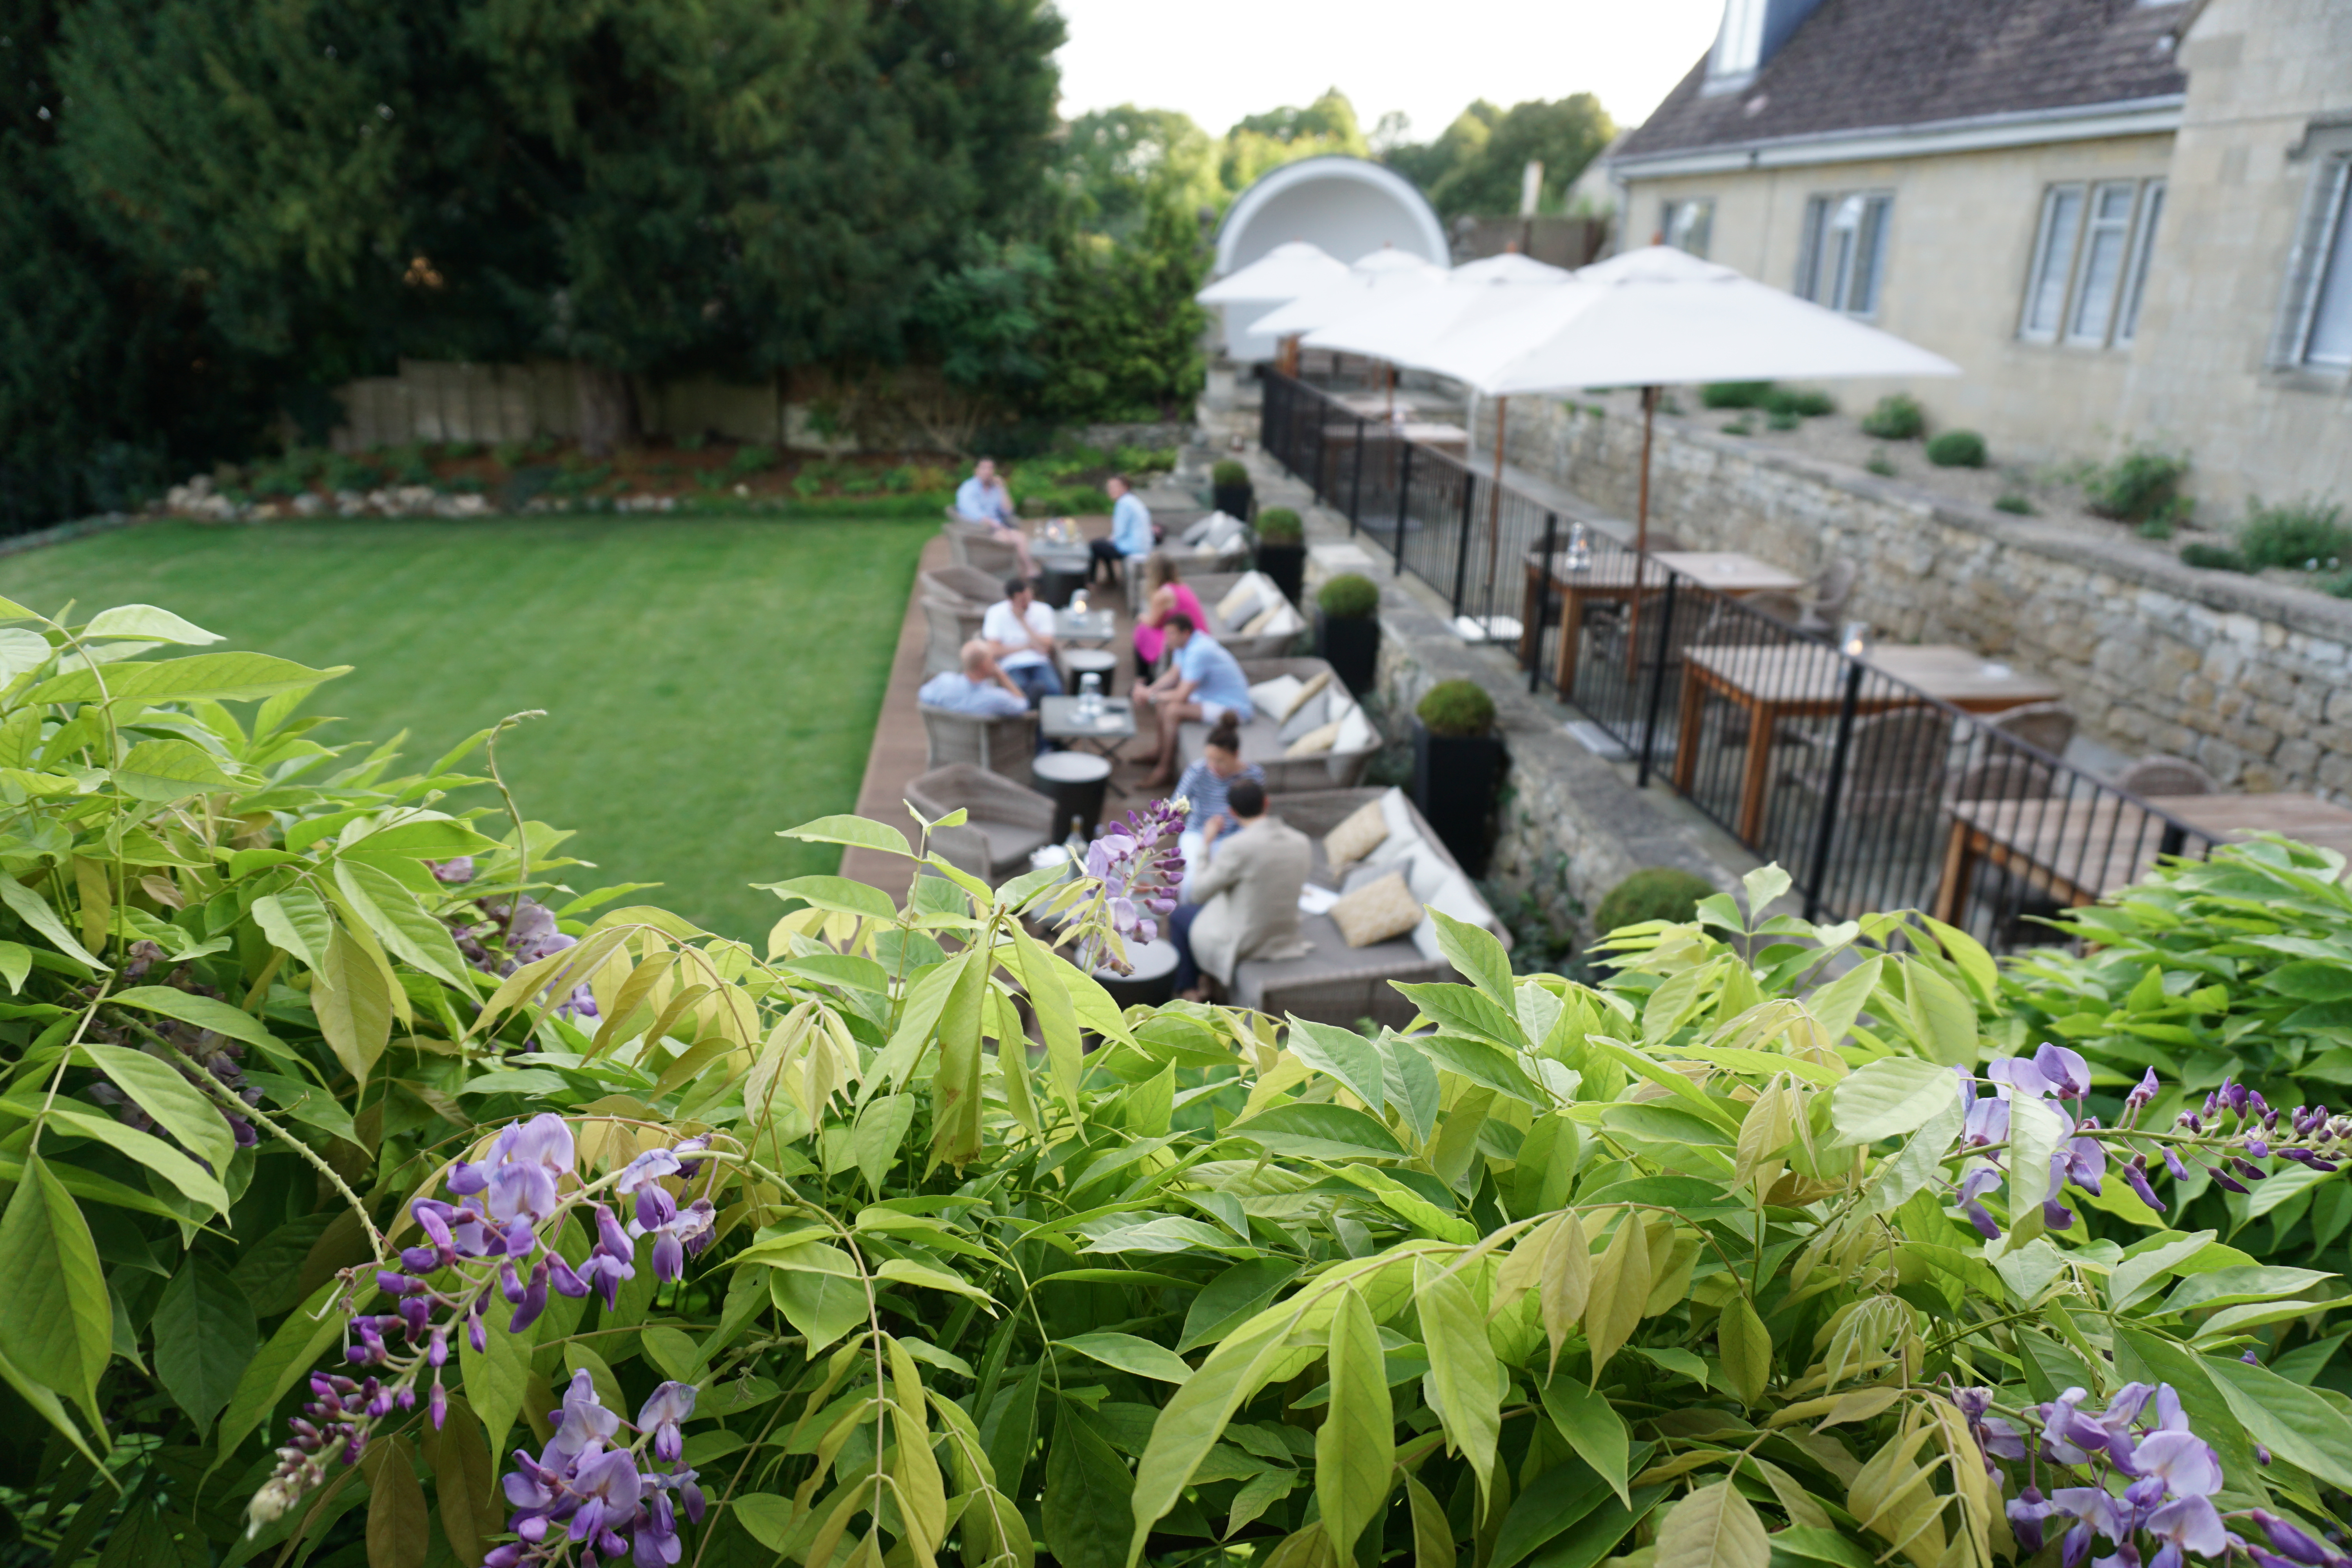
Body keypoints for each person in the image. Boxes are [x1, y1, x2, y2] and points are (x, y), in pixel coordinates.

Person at [1168, 778, 1311, 1000]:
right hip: (1286, 935)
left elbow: (1198, 893)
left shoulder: (1237, 847)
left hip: (1246, 941)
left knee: (1179, 916)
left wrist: (1206, 844)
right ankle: (1203, 986)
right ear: (1266, 803)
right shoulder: (1302, 841)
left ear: (1232, 812)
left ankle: (1190, 992)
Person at [1131, 612, 1250, 789]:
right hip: (1210, 698)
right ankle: (1159, 753)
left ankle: (1165, 771)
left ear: (1186, 633)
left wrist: (1149, 696)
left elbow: (1181, 696)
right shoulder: (1184, 645)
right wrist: (1150, 691)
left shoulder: (1199, 652)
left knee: (1173, 711)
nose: (1167, 639)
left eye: (1171, 634)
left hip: (1233, 708)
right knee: (1164, 704)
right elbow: (1173, 676)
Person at [1171, 714, 1264, 893]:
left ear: (1235, 755)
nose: (1213, 766)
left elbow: (1254, 816)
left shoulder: (1255, 776)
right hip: (1198, 832)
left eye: (1220, 760)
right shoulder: (1197, 771)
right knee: (1194, 881)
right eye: (1209, 759)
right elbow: (1175, 806)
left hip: (1234, 837)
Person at [980, 575, 1063, 708]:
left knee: (1054, 690)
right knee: (1021, 694)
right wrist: (1028, 646)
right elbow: (994, 650)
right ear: (1010, 600)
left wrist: (1023, 621)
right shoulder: (995, 613)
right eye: (1021, 600)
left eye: (1028, 598)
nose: (1026, 603)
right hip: (1011, 665)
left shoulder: (1044, 610)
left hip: (1039, 662)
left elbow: (1046, 646)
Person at [952, 457, 1034, 577]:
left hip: (998, 527)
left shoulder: (995, 488)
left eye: (991, 468)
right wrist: (997, 526)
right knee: (1007, 539)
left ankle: (1030, 571)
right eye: (984, 468)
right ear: (976, 471)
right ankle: (1017, 575)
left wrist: (1003, 488)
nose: (988, 472)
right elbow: (975, 514)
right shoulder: (968, 489)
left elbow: (1008, 511)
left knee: (1021, 537)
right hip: (980, 530)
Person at [1132, 554, 1206, 671]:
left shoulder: (1163, 595)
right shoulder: (1181, 587)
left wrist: (1141, 617)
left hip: (1188, 638)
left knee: (1142, 629)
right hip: (1199, 635)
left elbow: (1153, 623)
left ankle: (1142, 678)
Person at [917, 640, 1029, 717]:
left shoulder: (944, 681)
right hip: (987, 749)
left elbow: (924, 695)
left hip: (946, 746)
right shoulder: (997, 698)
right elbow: (1022, 706)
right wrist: (1002, 676)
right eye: (992, 660)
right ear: (985, 665)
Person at [1089, 474, 1154, 587]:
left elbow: (1120, 533)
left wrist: (1110, 539)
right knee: (1102, 545)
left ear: (1125, 487)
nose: (1111, 490)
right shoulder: (1132, 500)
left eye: (1115, 487)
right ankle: (1110, 578)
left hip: (1133, 548)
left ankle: (1091, 581)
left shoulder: (1124, 503)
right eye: (1110, 488)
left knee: (1094, 546)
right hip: (1142, 546)